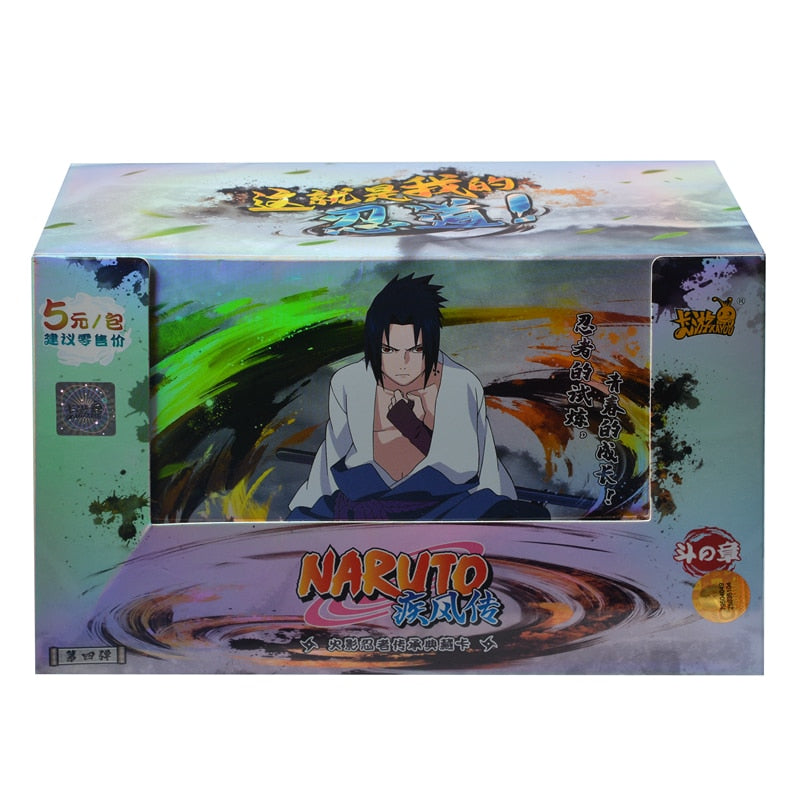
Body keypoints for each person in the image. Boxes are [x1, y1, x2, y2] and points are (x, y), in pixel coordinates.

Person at [287, 274, 547, 521]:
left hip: (443, 503)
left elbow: (467, 463)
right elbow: (333, 451)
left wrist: (410, 425)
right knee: (304, 518)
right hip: (364, 500)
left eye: (416, 349)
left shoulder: (459, 383)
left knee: (513, 515)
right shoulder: (349, 382)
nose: (403, 363)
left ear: (432, 343)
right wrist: (309, 506)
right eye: (389, 350)